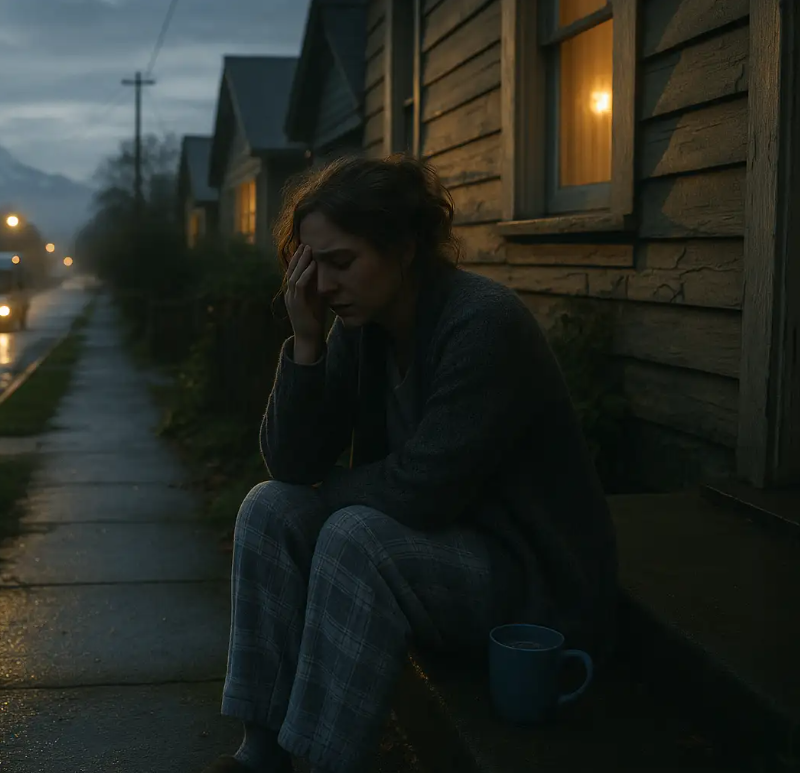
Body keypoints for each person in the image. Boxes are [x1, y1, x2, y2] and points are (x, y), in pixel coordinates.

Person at [201, 155, 619, 773]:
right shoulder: (360, 327)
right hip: (434, 554)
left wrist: (330, 491)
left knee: (355, 535)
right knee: (269, 507)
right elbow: (291, 464)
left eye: (341, 262)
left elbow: (423, 491)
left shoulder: (482, 323)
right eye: (311, 267)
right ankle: (260, 753)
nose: (323, 285)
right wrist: (308, 345)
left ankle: (320, 761)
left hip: (527, 581)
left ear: (403, 248)